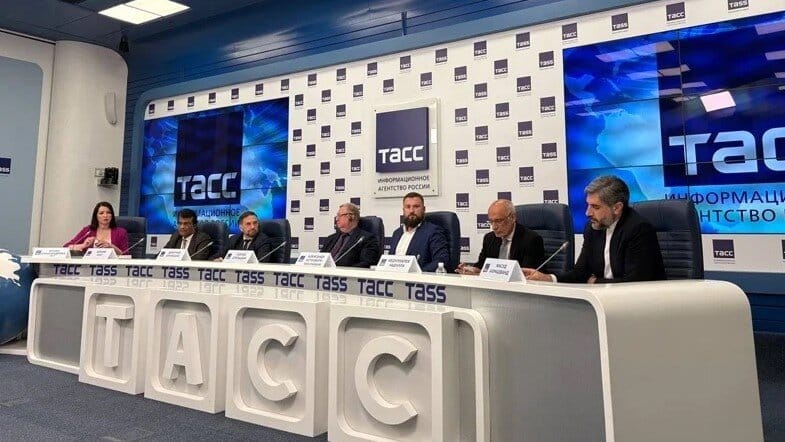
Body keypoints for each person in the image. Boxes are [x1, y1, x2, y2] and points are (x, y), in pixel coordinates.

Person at [524, 175, 665, 283]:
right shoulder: (592, 228)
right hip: (604, 298)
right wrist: (548, 278)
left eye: (596, 207)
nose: (588, 213)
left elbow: (635, 282)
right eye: (588, 205)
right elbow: (580, 272)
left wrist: (595, 282)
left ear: (617, 208)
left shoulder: (638, 229)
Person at [456, 199, 544, 274]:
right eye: (491, 221)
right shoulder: (489, 238)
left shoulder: (531, 240)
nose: (494, 227)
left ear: (512, 218)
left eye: (498, 221)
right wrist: (472, 270)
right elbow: (481, 266)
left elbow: (528, 274)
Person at [388, 192, 450, 272]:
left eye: (416, 206)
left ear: (424, 209)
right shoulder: (397, 233)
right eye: (408, 207)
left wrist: (417, 273)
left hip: (419, 278)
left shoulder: (433, 232)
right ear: (403, 210)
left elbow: (441, 260)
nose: (411, 211)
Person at [320, 203, 380, 267]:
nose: (337, 219)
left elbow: (365, 263)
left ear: (352, 216)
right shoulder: (330, 238)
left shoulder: (367, 239)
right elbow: (320, 259)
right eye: (337, 216)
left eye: (340, 215)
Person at [64, 202, 128, 255]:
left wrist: (111, 247)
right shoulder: (88, 231)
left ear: (112, 215)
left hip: (112, 265)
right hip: (90, 265)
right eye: (101, 213)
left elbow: (126, 255)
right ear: (96, 216)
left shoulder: (121, 232)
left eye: (108, 212)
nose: (105, 216)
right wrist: (84, 245)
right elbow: (66, 247)